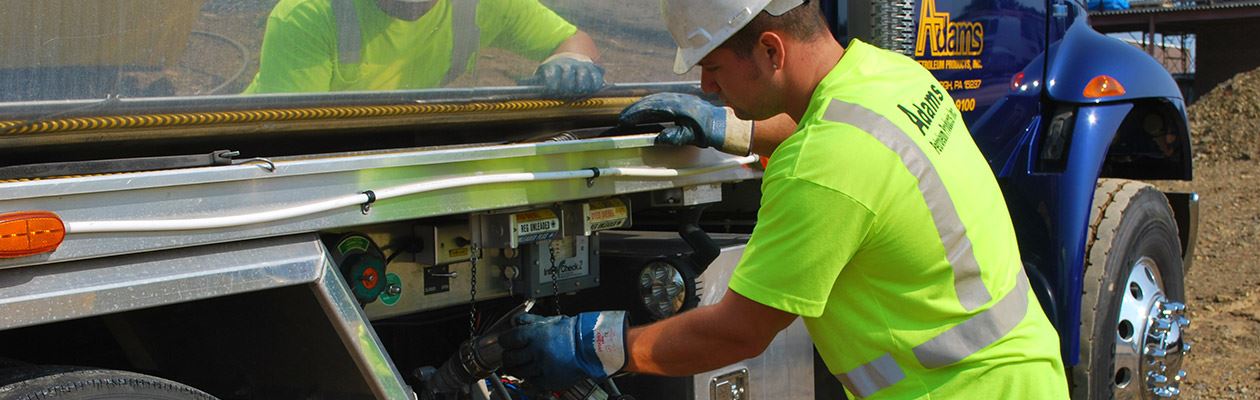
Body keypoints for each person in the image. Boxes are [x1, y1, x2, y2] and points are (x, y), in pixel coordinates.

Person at [498, 0, 1071, 398]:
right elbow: (838, 132)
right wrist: (728, 127)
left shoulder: (820, 170)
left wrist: (594, 344)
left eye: (714, 68)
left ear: (771, 50)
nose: (705, 88)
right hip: (1023, 376)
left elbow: (736, 332)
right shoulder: (890, 76)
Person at [243, 0, 604, 97]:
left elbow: (574, 39)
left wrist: (571, 58)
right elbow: (288, 143)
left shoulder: (480, 5)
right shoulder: (310, 14)